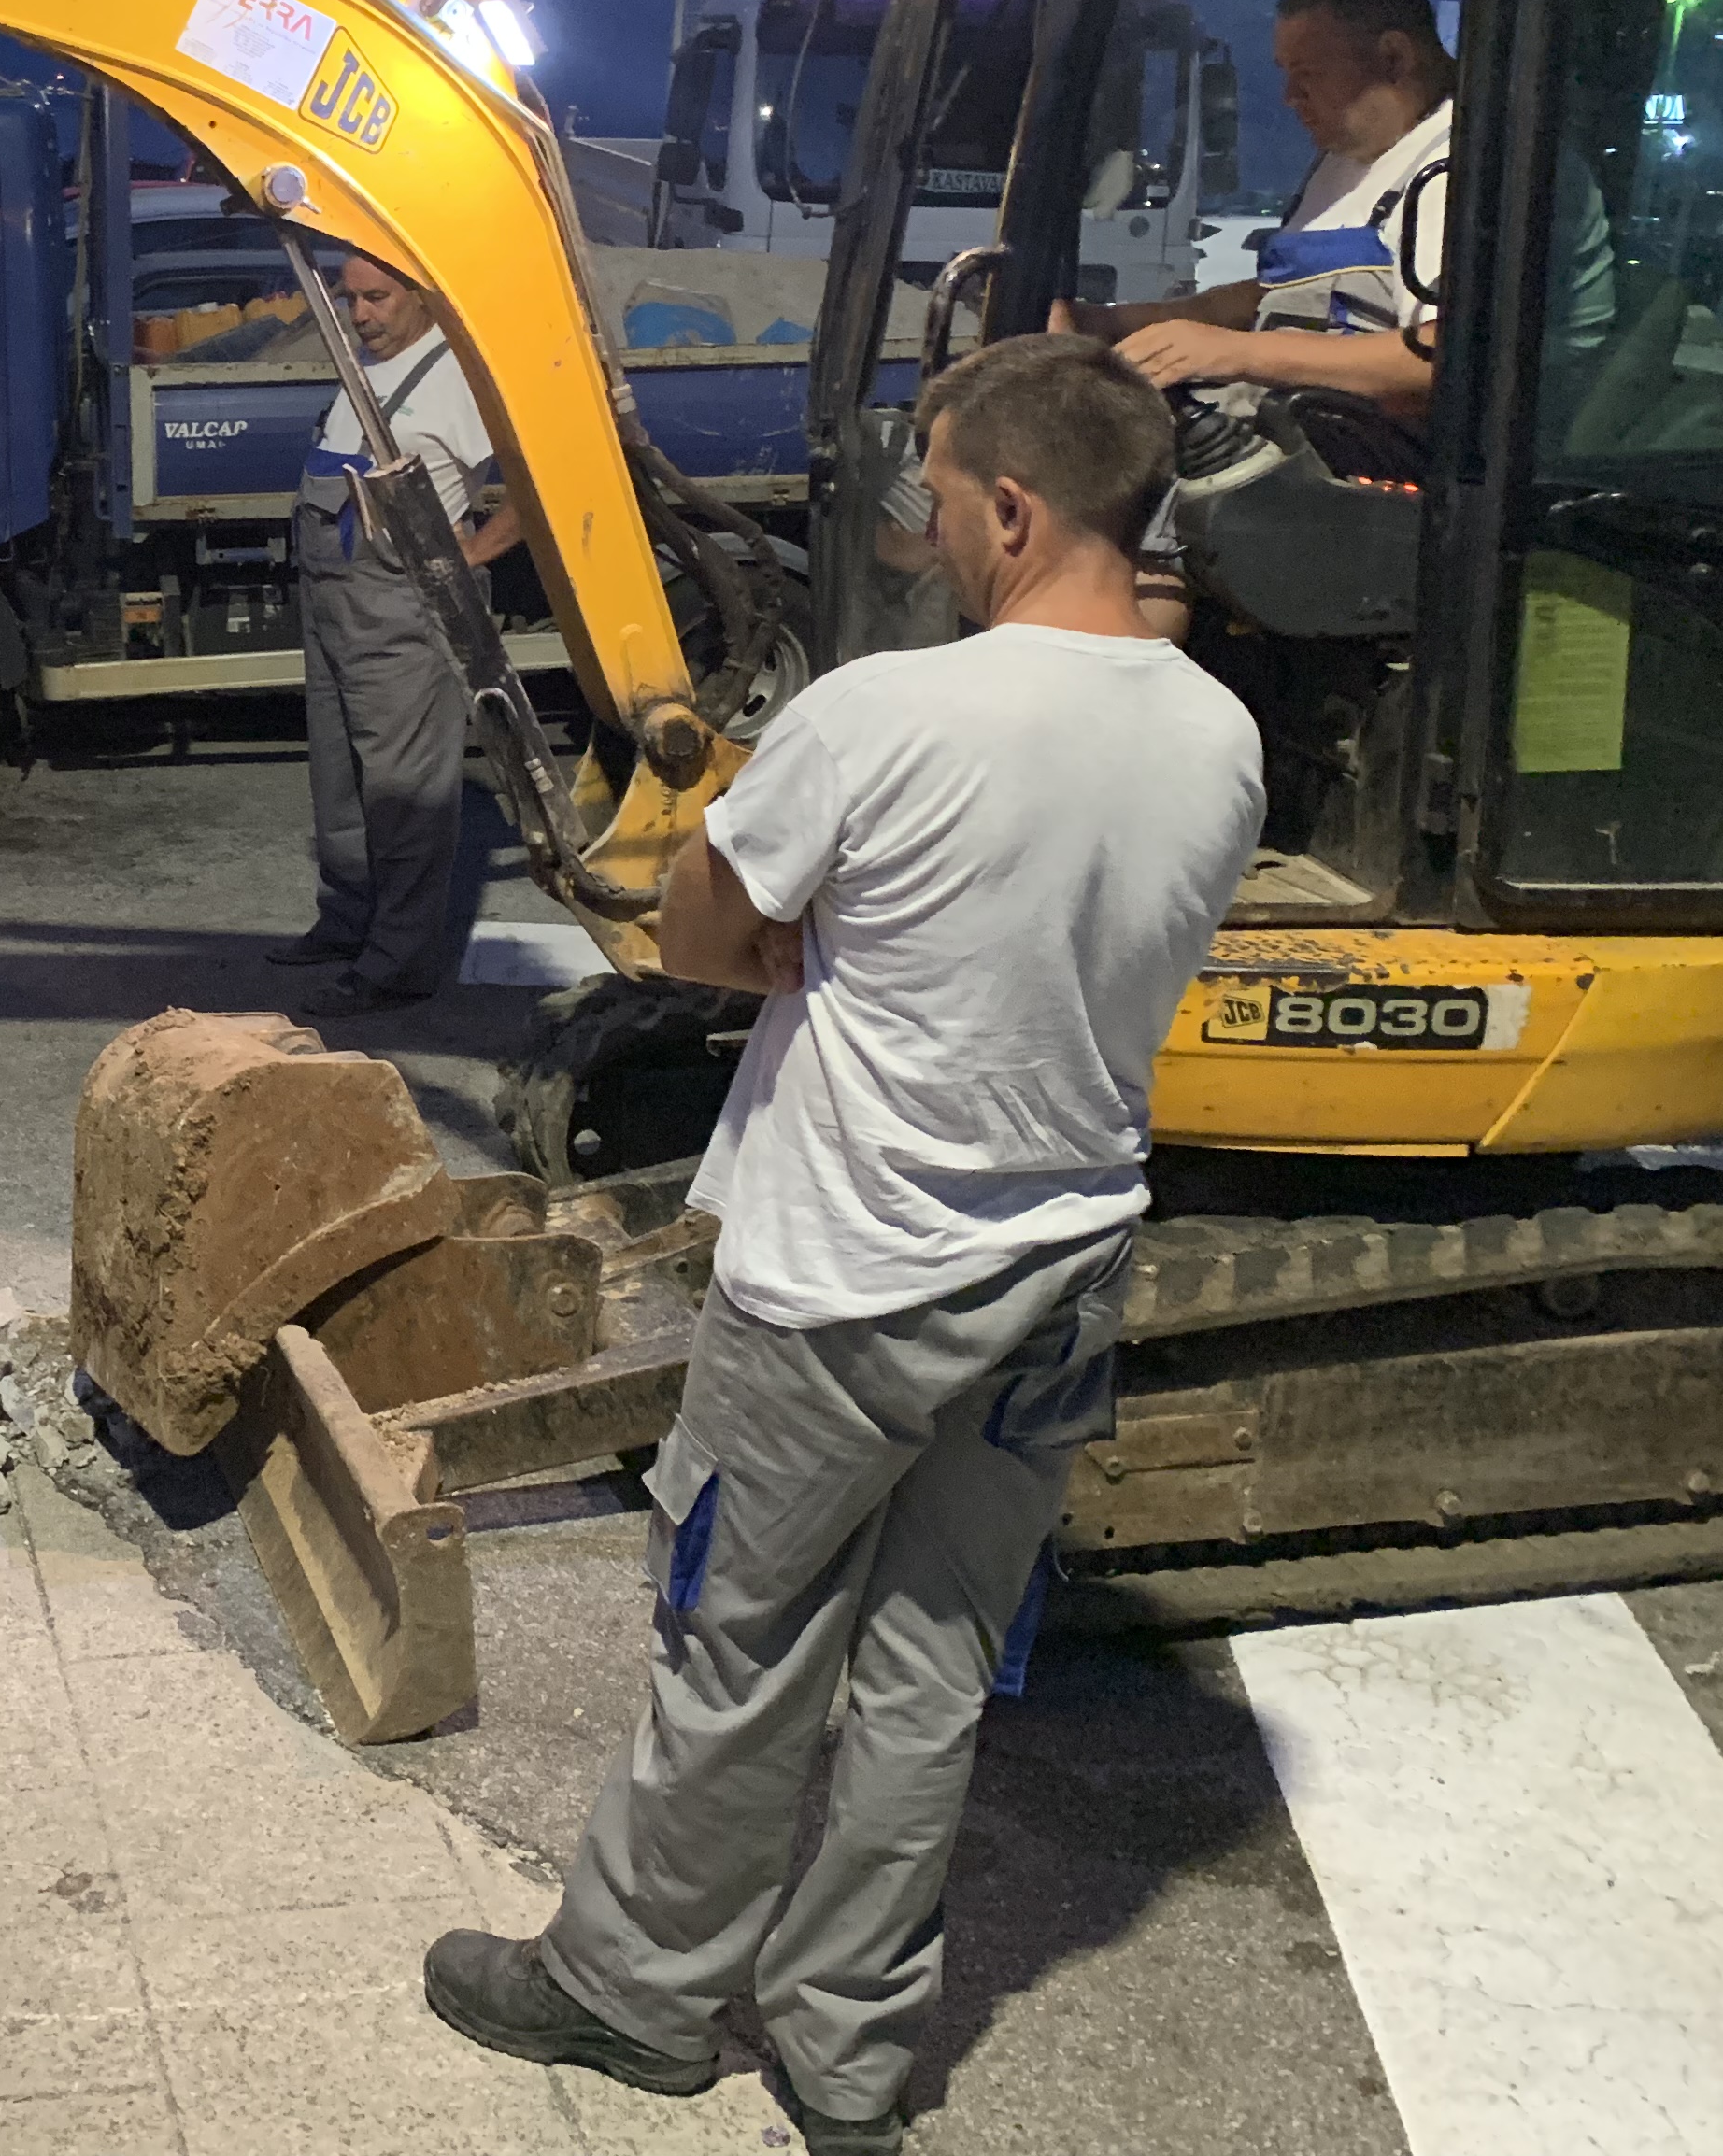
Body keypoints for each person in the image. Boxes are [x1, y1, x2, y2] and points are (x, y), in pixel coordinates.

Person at [420, 332, 1263, 2155]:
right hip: (1064, 1273)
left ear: (1018, 510)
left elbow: (705, 937)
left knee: (742, 1649)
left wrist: (814, 932)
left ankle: (634, 1991)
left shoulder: (888, 719)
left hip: (844, 1287)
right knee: (935, 1671)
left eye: (946, 497)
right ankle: (854, 2059)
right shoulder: (1220, 733)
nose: (930, 529)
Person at [264, 252, 520, 1020]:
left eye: (378, 298)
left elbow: (542, 484)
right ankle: (348, 922)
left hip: (401, 604)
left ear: (421, 294)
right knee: (340, 771)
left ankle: (398, 963)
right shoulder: (363, 363)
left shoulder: (463, 376)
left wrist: (468, 554)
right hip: (336, 594)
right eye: (351, 298)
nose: (362, 314)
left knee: (404, 788)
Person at [1061, 0, 1455, 413]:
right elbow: (1276, 297)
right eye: (1284, 74)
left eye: (1307, 73)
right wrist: (1111, 324)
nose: (1290, 96)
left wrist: (1237, 353)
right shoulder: (1342, 160)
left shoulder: (1452, 166)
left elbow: (1439, 359)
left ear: (1393, 58)